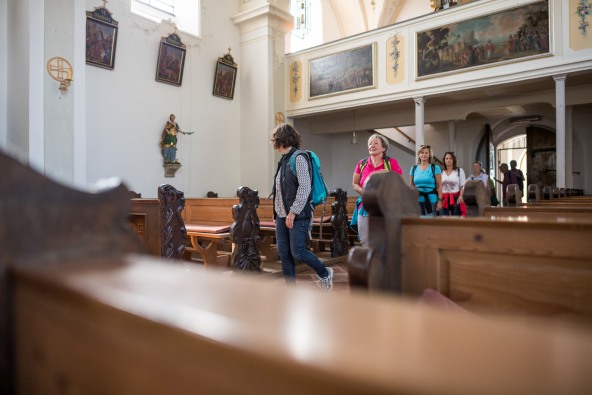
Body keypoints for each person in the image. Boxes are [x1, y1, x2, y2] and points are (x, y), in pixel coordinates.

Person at [269, 123, 333, 291]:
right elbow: (280, 190)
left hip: (297, 215)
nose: (274, 143)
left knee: (297, 251)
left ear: (282, 139)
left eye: (275, 139)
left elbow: (304, 187)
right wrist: (278, 212)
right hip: (282, 216)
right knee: (284, 252)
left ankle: (325, 272)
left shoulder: (298, 158)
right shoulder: (283, 160)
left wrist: (293, 212)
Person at [352, 133, 403, 245]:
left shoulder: (391, 163)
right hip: (365, 206)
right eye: (370, 143)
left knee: (384, 239)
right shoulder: (362, 163)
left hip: (385, 205)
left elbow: (399, 183)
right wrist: (365, 193)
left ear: (383, 148)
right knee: (364, 239)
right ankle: (370, 261)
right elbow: (355, 183)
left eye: (376, 143)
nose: (372, 145)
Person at [409, 145, 442, 216]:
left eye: (426, 153)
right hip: (417, 200)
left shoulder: (435, 168)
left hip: (431, 200)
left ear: (429, 154)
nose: (424, 154)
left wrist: (440, 201)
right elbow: (411, 186)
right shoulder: (413, 168)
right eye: (422, 152)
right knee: (418, 224)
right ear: (419, 154)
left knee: (429, 224)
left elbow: (439, 186)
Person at [439, 151, 466, 216]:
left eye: (451, 158)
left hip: (456, 197)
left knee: (456, 218)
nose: (448, 160)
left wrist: (461, 196)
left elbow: (462, 185)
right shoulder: (440, 171)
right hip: (443, 197)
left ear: (454, 160)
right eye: (447, 158)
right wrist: (439, 198)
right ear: (444, 160)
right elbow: (438, 186)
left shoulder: (459, 170)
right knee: (443, 218)